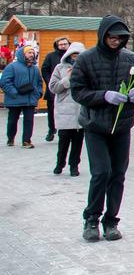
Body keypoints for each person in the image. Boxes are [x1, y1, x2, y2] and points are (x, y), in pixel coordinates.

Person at [71, 16, 134, 242]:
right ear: (103, 36)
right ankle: (92, 218)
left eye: (120, 38)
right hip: (95, 124)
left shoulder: (130, 58)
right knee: (101, 172)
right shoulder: (85, 59)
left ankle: (111, 220)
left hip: (122, 125)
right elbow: (78, 91)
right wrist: (104, 96)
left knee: (118, 174)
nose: (115, 41)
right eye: (111, 37)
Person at [48, 42, 85, 175]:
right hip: (64, 111)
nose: (75, 58)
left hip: (81, 111)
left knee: (77, 143)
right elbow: (53, 87)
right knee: (63, 141)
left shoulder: (86, 68)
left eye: (78, 56)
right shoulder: (60, 68)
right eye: (73, 55)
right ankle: (60, 163)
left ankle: (74, 166)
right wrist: (67, 79)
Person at [2, 44, 43, 148]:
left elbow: (39, 82)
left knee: (29, 121)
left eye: (33, 53)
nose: (32, 55)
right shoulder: (11, 67)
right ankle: (10, 138)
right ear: (22, 54)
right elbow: (5, 82)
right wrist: (14, 92)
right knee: (12, 120)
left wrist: (39, 92)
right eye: (29, 53)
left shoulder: (35, 69)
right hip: (15, 99)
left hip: (30, 99)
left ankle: (26, 141)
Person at [41, 37, 70, 142]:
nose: (63, 46)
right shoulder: (51, 56)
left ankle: (68, 131)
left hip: (69, 89)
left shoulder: (72, 56)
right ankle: (51, 129)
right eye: (61, 44)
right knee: (52, 111)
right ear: (57, 45)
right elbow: (44, 70)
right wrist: (50, 82)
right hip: (54, 89)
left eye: (65, 44)